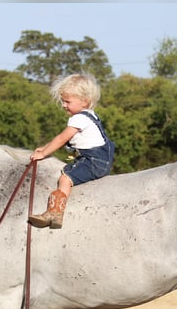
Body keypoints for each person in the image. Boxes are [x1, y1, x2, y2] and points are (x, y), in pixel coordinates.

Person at [28, 73, 115, 229]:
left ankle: (55, 212)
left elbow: (61, 139)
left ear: (84, 101)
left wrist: (43, 154)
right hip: (101, 159)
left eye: (67, 101)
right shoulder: (90, 116)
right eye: (63, 101)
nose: (63, 105)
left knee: (65, 178)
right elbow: (64, 139)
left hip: (92, 160)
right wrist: (46, 147)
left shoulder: (78, 119)